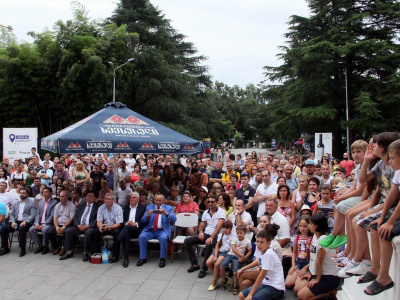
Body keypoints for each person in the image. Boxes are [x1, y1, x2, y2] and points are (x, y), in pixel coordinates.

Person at [366, 139, 400, 295]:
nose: (390, 161)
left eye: (393, 158)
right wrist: (382, 218)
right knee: (375, 227)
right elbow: (392, 194)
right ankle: (376, 269)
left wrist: (390, 223)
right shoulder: (398, 172)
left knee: (386, 233)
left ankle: (384, 277)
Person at [295, 214, 341, 300]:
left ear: (317, 226)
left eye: (310, 224)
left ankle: (330, 290)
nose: (309, 226)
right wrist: (311, 273)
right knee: (296, 289)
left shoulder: (323, 240)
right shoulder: (315, 237)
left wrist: (316, 279)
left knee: (301, 296)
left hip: (329, 276)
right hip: (318, 273)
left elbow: (319, 261)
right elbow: (313, 259)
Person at [184, 195, 226, 278]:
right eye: (208, 202)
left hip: (216, 236)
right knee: (187, 241)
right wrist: (200, 232)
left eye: (212, 202)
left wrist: (211, 237)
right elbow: (201, 225)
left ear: (217, 203)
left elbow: (219, 227)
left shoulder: (221, 212)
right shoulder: (206, 212)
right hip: (206, 234)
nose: (210, 203)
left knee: (209, 245)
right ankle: (195, 264)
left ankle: (204, 268)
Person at [238, 230, 285, 300]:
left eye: (262, 242)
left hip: (275, 287)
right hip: (266, 282)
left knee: (252, 298)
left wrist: (250, 294)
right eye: (257, 241)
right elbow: (257, 262)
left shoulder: (269, 254)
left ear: (268, 243)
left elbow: (261, 275)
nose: (259, 244)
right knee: (241, 295)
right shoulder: (260, 249)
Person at [137, 193, 176, 268]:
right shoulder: (149, 207)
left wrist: (166, 214)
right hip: (150, 230)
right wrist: (147, 216)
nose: (158, 202)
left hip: (162, 230)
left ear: (163, 200)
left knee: (163, 238)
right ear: (154, 200)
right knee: (141, 236)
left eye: (160, 200)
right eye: (156, 200)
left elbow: (174, 219)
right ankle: (143, 258)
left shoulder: (168, 208)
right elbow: (143, 220)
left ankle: (162, 259)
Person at [59, 190, 100, 261]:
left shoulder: (98, 206)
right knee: (68, 231)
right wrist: (78, 225)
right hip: (80, 226)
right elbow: (76, 217)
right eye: (88, 196)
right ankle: (69, 251)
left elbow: (98, 219)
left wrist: (89, 225)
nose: (89, 198)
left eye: (91, 196)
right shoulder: (82, 205)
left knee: (88, 233)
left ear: (95, 198)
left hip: (90, 227)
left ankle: (86, 252)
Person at [0, 187, 37, 257]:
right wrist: (13, 222)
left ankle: (22, 248)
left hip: (26, 222)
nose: (22, 194)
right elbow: (12, 214)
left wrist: (25, 221)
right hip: (16, 221)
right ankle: (5, 248)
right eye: (20, 193)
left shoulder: (32, 202)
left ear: (27, 194)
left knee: (21, 229)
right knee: (4, 228)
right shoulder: (15, 203)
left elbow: (33, 215)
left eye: (23, 193)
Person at [220, 225, 252, 295]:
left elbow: (249, 251)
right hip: (230, 255)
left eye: (241, 233)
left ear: (245, 233)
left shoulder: (247, 241)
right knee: (222, 266)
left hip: (238, 258)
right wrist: (242, 255)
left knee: (235, 272)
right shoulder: (234, 239)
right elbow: (233, 249)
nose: (239, 235)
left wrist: (244, 257)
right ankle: (224, 280)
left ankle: (235, 285)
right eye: (237, 233)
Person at [117, 192, 146, 268]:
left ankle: (117, 242)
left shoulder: (143, 208)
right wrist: (127, 223)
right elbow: (122, 220)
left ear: (138, 199)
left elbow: (144, 221)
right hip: (127, 229)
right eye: (131, 197)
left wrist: (135, 223)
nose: (132, 199)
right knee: (126, 235)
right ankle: (126, 258)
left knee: (126, 229)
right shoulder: (126, 208)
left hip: (138, 229)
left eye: (134, 197)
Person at [94, 193, 123, 263]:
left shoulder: (118, 208)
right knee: (95, 232)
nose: (106, 201)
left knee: (117, 232)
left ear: (113, 200)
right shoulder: (101, 208)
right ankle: (96, 253)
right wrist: (100, 227)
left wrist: (109, 227)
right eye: (105, 199)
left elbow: (119, 223)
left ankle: (115, 255)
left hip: (114, 226)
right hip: (105, 226)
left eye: (108, 199)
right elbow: (99, 221)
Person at [206, 220, 235, 291]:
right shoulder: (221, 234)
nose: (225, 230)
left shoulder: (234, 236)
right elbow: (217, 246)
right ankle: (221, 276)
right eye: (223, 228)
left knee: (217, 264)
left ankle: (214, 282)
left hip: (226, 253)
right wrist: (215, 255)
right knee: (208, 262)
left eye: (227, 228)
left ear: (230, 229)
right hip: (219, 251)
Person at [285, 216, 313, 289]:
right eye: (300, 226)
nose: (302, 228)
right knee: (288, 284)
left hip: (308, 263)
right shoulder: (297, 237)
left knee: (297, 288)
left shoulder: (312, 238)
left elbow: (314, 257)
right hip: (298, 262)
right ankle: (296, 276)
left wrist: (307, 268)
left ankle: (301, 279)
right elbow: (294, 252)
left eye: (305, 226)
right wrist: (293, 265)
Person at [29, 186, 58, 254]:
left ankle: (46, 246)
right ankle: (39, 245)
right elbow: (37, 214)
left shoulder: (54, 203)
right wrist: (36, 223)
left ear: (50, 193)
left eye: (46, 192)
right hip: (40, 222)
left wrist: (44, 224)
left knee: (44, 230)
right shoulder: (40, 202)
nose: (44, 193)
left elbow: (52, 216)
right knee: (31, 229)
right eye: (43, 192)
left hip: (48, 223)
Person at [49, 190, 76, 255]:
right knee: (49, 232)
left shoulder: (72, 205)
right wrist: (56, 227)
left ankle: (64, 248)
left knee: (66, 232)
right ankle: (56, 247)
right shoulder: (57, 205)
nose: (61, 198)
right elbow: (55, 217)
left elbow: (71, 218)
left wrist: (63, 227)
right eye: (60, 196)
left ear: (67, 197)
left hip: (67, 225)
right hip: (58, 224)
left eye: (63, 196)